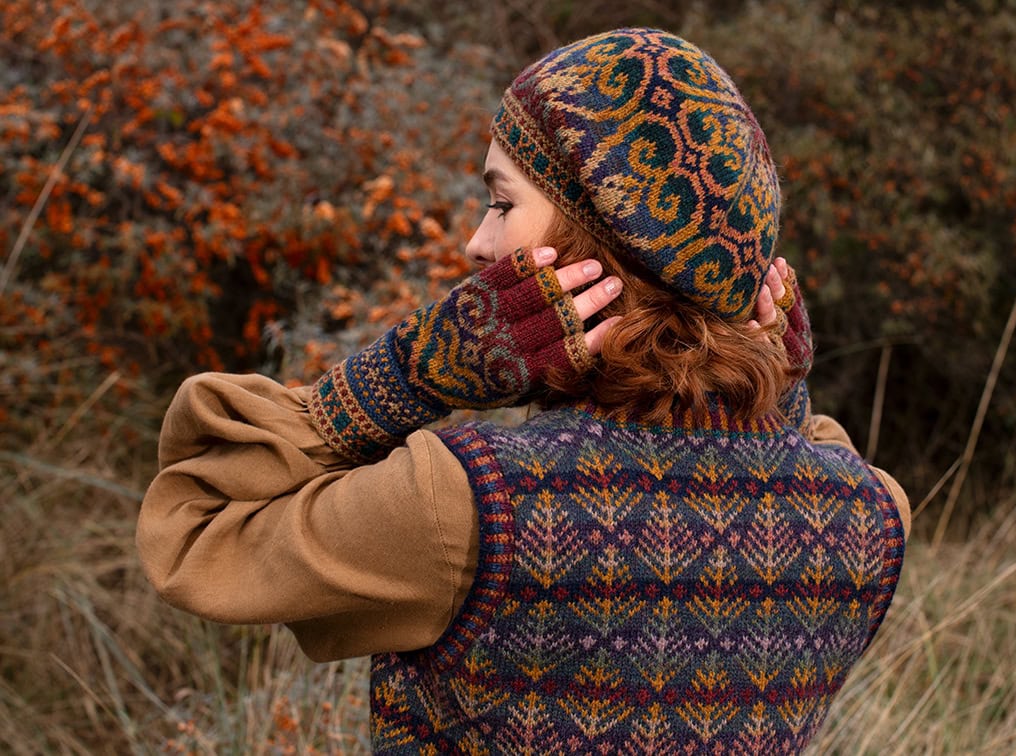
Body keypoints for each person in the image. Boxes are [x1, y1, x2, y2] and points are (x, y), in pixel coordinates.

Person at [137, 28, 909, 753]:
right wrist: (768, 379)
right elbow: (784, 458)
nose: (477, 240)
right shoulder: (868, 518)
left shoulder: (469, 506)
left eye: (502, 202)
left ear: (597, 244)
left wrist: (407, 375)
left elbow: (195, 528)